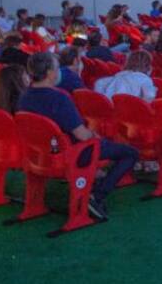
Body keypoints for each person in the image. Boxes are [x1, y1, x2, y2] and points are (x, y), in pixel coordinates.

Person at [18, 51, 136, 220]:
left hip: (39, 153)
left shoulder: (25, 96)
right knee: (130, 153)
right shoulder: (59, 98)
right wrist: (96, 137)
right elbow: (82, 135)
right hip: (72, 152)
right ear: (50, 73)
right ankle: (96, 196)